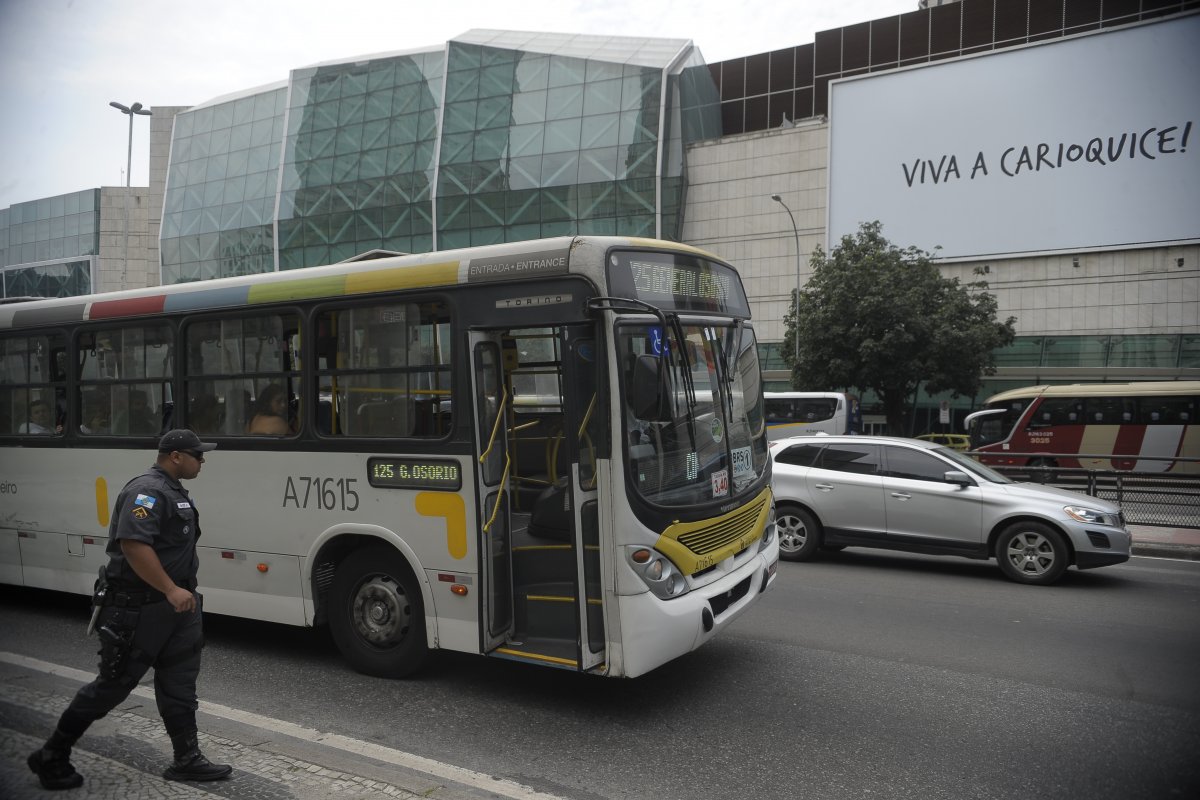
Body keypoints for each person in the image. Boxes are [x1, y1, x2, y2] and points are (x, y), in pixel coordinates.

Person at [26, 429, 232, 790]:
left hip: (177, 610)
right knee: (113, 687)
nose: (203, 461)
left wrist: (181, 596)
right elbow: (134, 544)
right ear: (175, 457)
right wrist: (169, 589)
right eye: (197, 455)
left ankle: (186, 759)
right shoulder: (147, 491)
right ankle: (52, 754)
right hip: (139, 609)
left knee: (179, 685)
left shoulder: (172, 490)